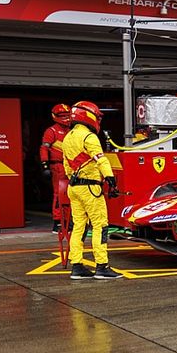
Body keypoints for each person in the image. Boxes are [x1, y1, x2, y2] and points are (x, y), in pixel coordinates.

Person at [62, 101, 122, 280]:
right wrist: (110, 179)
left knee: (79, 226)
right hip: (90, 187)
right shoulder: (89, 137)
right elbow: (100, 159)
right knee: (100, 225)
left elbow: (66, 167)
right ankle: (102, 266)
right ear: (88, 116)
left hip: (74, 188)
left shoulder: (67, 138)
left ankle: (77, 266)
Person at [39, 103, 71, 233]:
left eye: (67, 115)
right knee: (59, 194)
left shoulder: (72, 131)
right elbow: (44, 148)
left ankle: (68, 221)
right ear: (55, 116)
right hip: (57, 166)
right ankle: (58, 222)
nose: (65, 118)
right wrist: (45, 165)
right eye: (62, 116)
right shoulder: (51, 131)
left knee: (71, 195)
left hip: (71, 167)